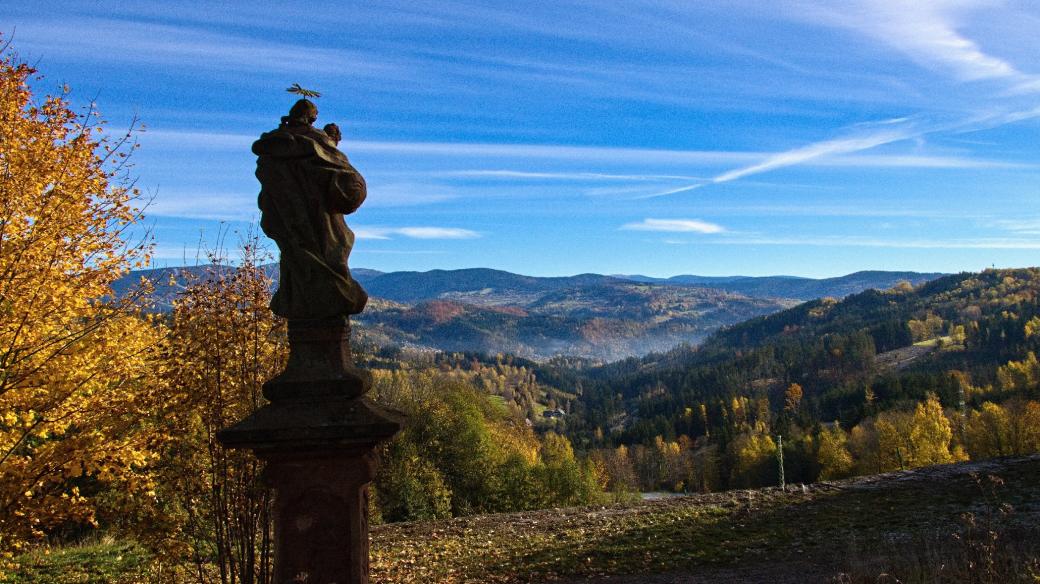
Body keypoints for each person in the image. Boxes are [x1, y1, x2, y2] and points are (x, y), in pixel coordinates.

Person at [253, 99, 368, 319]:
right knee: (331, 253)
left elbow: (273, 184)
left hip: (288, 220)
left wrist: (328, 143)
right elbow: (345, 185)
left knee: (297, 259)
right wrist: (329, 144)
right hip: (321, 220)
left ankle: (304, 295)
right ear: (312, 117)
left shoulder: (273, 148)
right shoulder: (316, 143)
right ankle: (331, 294)